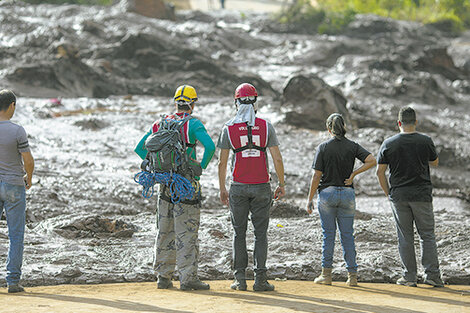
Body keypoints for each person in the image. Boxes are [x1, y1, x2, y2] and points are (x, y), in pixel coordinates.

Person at [135, 85, 215, 290]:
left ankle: (163, 276)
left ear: (176, 102)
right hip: (187, 185)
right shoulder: (193, 125)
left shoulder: (160, 123)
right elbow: (210, 147)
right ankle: (188, 279)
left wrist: (156, 168)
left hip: (165, 185)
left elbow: (139, 147)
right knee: (187, 232)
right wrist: (200, 167)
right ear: (193, 104)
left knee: (164, 230)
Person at [217, 83, 285, 291]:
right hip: (262, 187)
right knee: (260, 234)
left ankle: (239, 280)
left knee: (239, 232)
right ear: (255, 102)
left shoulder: (228, 128)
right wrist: (281, 183)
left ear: (236, 102)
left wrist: (222, 188)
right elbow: (277, 158)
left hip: (238, 187)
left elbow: (221, 162)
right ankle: (260, 280)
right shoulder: (266, 127)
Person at [376, 107, 443, 287]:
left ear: (398, 123)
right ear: (416, 122)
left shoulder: (388, 143)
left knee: (405, 237)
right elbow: (435, 162)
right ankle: (432, 276)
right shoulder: (425, 140)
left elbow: (379, 172)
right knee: (427, 235)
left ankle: (410, 277)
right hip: (421, 194)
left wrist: (388, 192)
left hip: (399, 196)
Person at [306, 113, 376, 286]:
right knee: (347, 236)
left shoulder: (323, 147)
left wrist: (309, 199)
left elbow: (316, 175)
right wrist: (354, 174)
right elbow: (372, 160)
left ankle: (326, 275)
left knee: (328, 235)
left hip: (327, 194)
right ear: (344, 127)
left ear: (329, 129)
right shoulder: (352, 146)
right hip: (347, 193)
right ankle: (352, 276)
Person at [0, 90, 34, 293]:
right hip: (14, 185)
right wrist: (28, 178)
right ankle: (12, 281)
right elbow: (28, 160)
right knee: (15, 235)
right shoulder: (17, 130)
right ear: (12, 105)